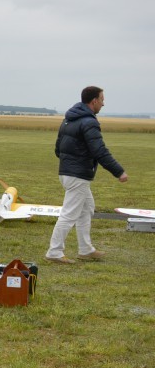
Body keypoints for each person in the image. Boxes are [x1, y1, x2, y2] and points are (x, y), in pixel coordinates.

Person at [45, 86, 128, 264]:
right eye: (102, 100)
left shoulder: (68, 120)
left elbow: (58, 149)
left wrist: (70, 163)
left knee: (86, 209)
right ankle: (54, 252)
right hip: (78, 175)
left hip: (68, 173)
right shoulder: (89, 122)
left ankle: (85, 249)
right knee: (69, 214)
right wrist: (118, 171)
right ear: (94, 101)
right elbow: (99, 150)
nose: (103, 103)